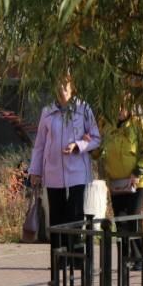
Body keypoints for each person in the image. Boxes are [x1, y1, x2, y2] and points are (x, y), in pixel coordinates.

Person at [29, 74, 102, 250]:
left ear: (73, 86)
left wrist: (78, 145)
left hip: (78, 172)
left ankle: (76, 256)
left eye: (65, 83)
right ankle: (58, 259)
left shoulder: (83, 108)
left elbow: (96, 138)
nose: (61, 87)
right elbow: (39, 144)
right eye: (58, 83)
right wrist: (35, 171)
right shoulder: (47, 111)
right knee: (56, 216)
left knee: (75, 215)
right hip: (53, 172)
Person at [95, 93, 143, 265]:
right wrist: (89, 145)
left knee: (133, 216)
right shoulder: (107, 126)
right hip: (117, 182)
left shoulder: (140, 125)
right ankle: (124, 258)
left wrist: (137, 173)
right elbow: (97, 150)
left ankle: (138, 258)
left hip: (138, 182)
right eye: (116, 106)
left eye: (122, 106)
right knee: (120, 220)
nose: (119, 110)